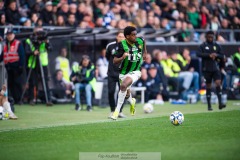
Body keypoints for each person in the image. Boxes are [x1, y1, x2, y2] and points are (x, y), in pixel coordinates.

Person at [111, 26, 147, 120]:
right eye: (133, 35)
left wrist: (145, 53)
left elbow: (143, 40)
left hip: (136, 71)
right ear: (127, 36)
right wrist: (122, 57)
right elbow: (114, 61)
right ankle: (132, 102)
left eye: (136, 34)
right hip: (123, 72)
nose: (136, 36)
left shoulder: (139, 41)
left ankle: (116, 111)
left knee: (123, 86)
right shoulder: (122, 45)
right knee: (126, 94)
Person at [197, 31, 226, 111]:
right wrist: (208, 55)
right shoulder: (202, 46)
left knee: (218, 83)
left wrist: (216, 55)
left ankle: (220, 103)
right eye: (209, 37)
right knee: (208, 86)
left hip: (215, 68)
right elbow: (198, 54)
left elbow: (222, 55)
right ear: (206, 37)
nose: (210, 38)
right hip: (207, 69)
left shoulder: (217, 46)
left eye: (212, 37)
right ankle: (209, 105)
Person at [24, 26, 53, 106]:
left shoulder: (45, 39)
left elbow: (50, 49)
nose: (40, 34)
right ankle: (31, 99)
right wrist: (33, 52)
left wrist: (46, 42)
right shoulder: (29, 40)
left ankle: (48, 99)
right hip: (32, 63)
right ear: (34, 32)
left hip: (43, 62)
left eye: (41, 32)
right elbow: (26, 51)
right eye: (38, 32)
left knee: (45, 81)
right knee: (32, 82)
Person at [0, 28, 25, 104]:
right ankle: (13, 99)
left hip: (16, 67)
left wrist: (21, 66)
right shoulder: (5, 45)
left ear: (13, 35)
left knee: (17, 83)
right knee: (10, 84)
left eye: (10, 34)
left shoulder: (17, 43)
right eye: (8, 35)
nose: (9, 36)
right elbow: (2, 56)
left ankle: (19, 99)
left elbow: (22, 55)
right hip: (9, 67)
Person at [106, 30, 126, 118]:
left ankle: (120, 111)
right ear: (117, 37)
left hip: (122, 73)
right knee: (111, 91)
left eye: (123, 37)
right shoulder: (110, 46)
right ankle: (112, 110)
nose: (121, 38)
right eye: (120, 36)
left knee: (122, 92)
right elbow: (107, 57)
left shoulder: (128, 47)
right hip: (111, 73)